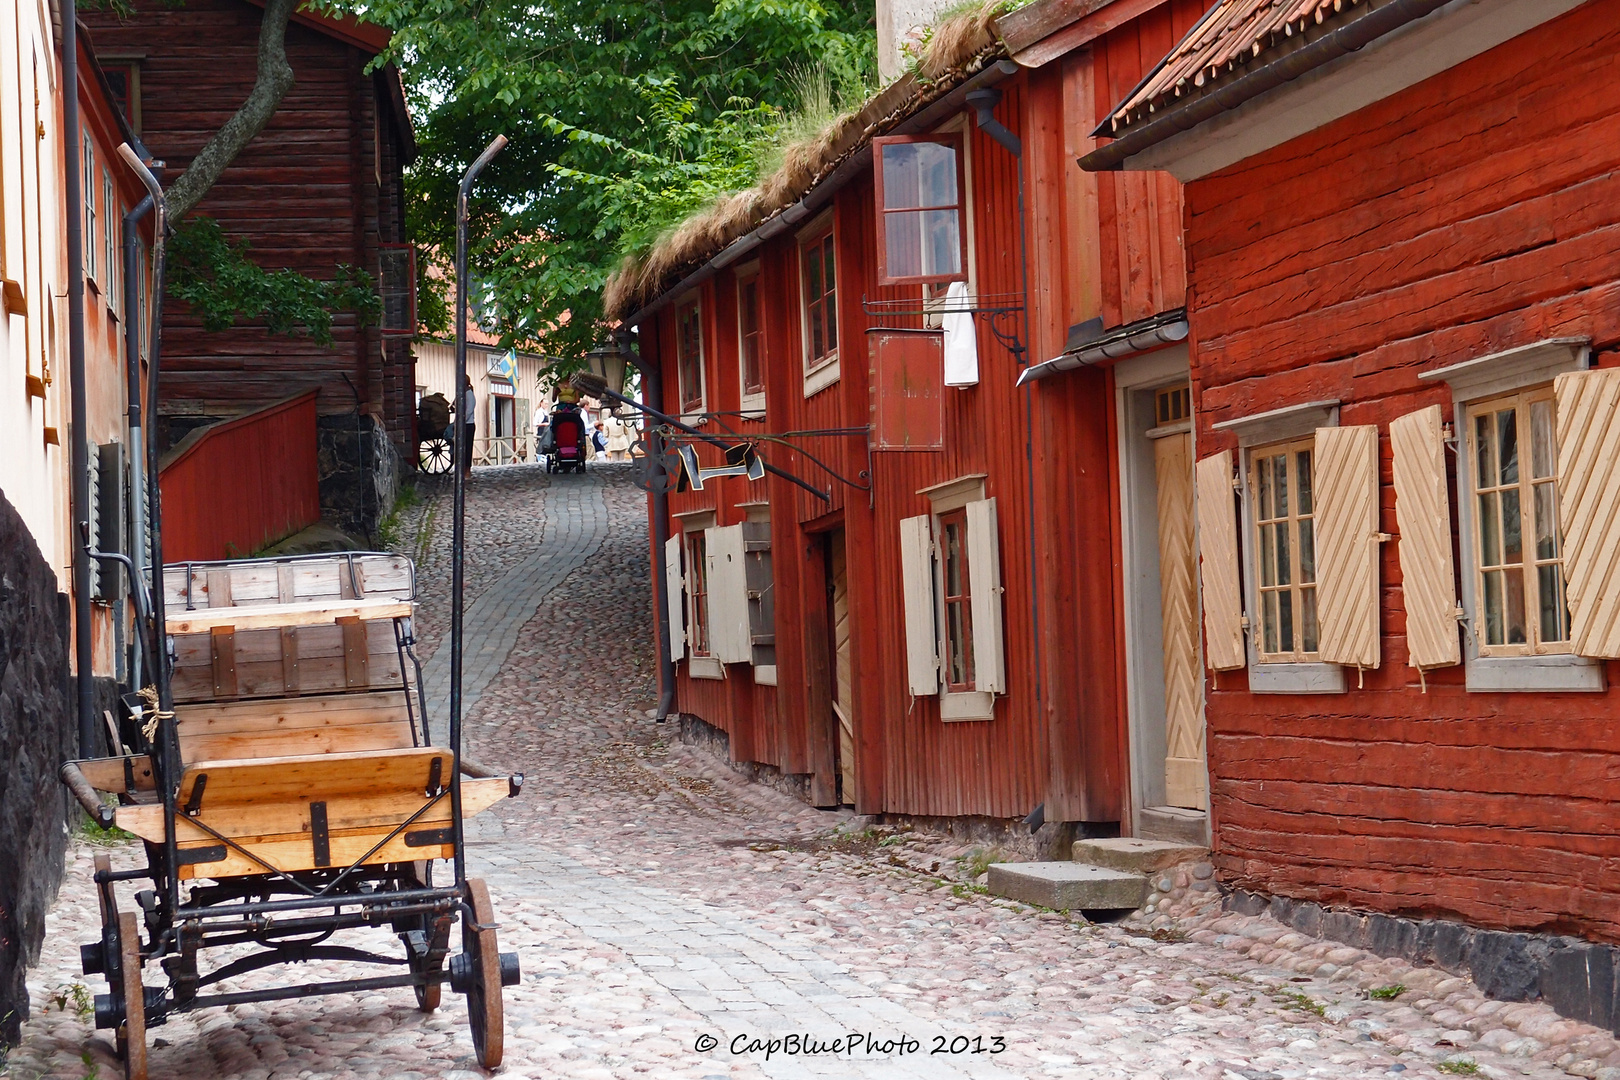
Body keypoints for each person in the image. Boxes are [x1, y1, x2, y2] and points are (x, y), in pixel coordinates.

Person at [458, 384, 477, 476]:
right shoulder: (462, 394)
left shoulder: (469, 395)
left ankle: (467, 470)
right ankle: (462, 468)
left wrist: (461, 420)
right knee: (461, 448)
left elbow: (469, 411)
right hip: (463, 424)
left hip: (468, 424)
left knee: (468, 447)